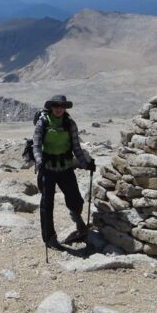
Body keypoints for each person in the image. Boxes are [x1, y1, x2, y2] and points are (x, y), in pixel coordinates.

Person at [32, 94, 96, 249]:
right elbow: (36, 145)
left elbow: (76, 147)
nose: (59, 109)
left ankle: (77, 218)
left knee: (76, 200)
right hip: (47, 169)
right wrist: (39, 161)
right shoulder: (43, 123)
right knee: (47, 204)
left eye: (62, 106)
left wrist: (85, 163)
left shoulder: (69, 124)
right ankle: (49, 238)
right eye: (56, 106)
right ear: (51, 107)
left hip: (66, 167)